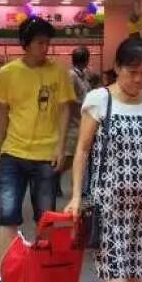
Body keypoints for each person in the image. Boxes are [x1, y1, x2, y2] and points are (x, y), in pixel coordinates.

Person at [65, 37, 142, 282]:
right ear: (118, 67)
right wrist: (76, 196)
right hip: (109, 206)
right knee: (116, 276)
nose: (138, 79)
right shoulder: (99, 99)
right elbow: (83, 150)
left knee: (134, 275)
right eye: (132, 72)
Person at [0, 17, 76, 263]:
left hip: (46, 155)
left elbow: (65, 110)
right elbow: (1, 113)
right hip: (13, 152)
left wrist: (61, 147)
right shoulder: (7, 73)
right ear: (25, 44)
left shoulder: (58, 71)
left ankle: (43, 271)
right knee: (7, 216)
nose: (45, 48)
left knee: (45, 218)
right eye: (40, 43)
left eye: (47, 43)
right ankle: (7, 272)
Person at [57, 46, 92, 197]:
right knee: (69, 156)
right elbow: (70, 99)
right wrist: (82, 106)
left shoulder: (83, 75)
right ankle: (54, 179)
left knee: (77, 155)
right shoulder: (72, 75)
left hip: (82, 120)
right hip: (73, 121)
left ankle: (77, 187)